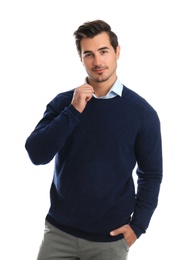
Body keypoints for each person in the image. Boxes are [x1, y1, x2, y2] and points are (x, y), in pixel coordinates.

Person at [25, 19, 163, 260]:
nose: (98, 62)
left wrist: (138, 226)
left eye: (103, 51)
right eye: (89, 54)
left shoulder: (142, 113)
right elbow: (37, 154)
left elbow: (151, 174)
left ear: (117, 52)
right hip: (59, 234)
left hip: (109, 240)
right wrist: (73, 111)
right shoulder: (64, 103)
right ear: (81, 58)